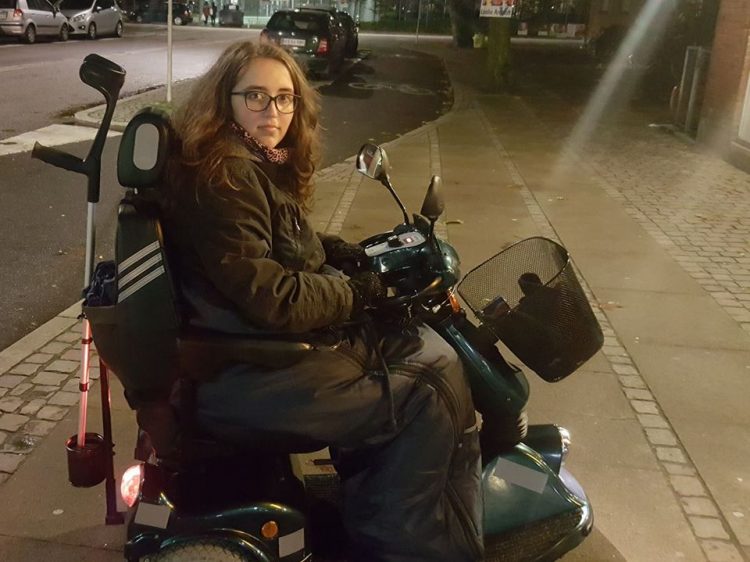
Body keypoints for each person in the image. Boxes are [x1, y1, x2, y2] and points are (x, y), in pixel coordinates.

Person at [163, 40, 482, 562]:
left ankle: (378, 506)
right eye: (257, 97)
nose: (275, 112)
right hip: (252, 375)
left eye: (286, 98)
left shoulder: (244, 161)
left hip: (252, 355)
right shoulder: (228, 176)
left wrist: (344, 254)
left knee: (422, 352)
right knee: (431, 382)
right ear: (226, 100)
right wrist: (358, 293)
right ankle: (409, 544)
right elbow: (271, 294)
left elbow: (278, 248)